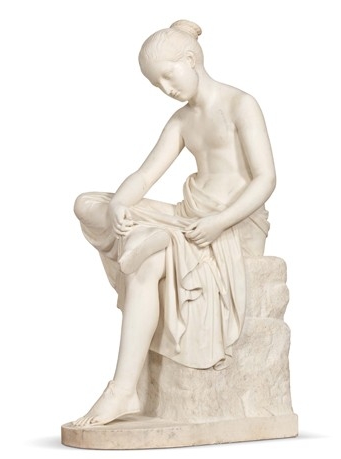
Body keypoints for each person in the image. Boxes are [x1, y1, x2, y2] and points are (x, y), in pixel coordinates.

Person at [72, 19, 276, 426]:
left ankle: (121, 391)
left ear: (190, 59)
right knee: (88, 204)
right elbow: (145, 175)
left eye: (168, 76)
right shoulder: (182, 122)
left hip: (232, 225)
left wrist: (219, 221)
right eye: (156, 84)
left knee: (148, 259)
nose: (166, 89)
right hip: (188, 217)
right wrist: (121, 203)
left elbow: (266, 179)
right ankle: (157, 237)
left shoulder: (241, 105)